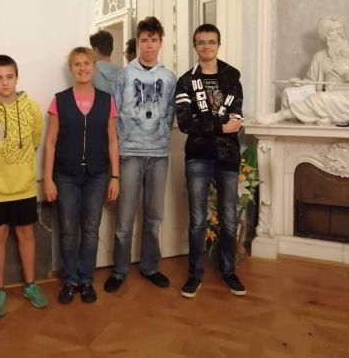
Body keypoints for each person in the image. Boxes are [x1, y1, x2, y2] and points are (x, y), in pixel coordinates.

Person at [0, 55, 48, 318]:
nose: (5, 82)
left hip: (24, 187)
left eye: (9, 77)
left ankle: (30, 285)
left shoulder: (32, 108)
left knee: (26, 235)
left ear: (17, 77)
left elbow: (35, 141)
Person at [104, 16, 176, 293]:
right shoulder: (123, 76)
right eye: (144, 40)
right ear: (138, 43)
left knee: (154, 216)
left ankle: (150, 266)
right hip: (130, 153)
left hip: (158, 155)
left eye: (153, 40)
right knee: (124, 218)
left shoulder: (169, 78)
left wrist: (161, 135)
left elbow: (170, 113)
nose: (149, 45)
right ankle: (119, 270)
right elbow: (113, 114)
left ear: (160, 43)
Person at [43, 47, 119, 304]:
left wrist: (115, 177)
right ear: (71, 69)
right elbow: (50, 142)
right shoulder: (60, 100)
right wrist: (47, 179)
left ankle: (86, 279)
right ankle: (70, 280)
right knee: (67, 230)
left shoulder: (107, 100)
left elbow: (112, 141)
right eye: (77, 64)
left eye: (87, 63)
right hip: (65, 176)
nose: (83, 68)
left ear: (94, 67)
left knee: (90, 230)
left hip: (97, 176)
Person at [175, 23, 246, 298]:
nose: (206, 46)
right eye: (201, 42)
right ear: (195, 46)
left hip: (227, 156)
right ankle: (195, 274)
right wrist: (220, 126)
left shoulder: (232, 78)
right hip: (198, 157)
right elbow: (185, 123)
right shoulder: (185, 82)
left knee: (228, 218)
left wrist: (209, 124)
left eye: (211, 42)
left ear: (219, 45)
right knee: (197, 220)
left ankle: (229, 271)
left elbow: (236, 120)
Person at [259, 16, 349, 125]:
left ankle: (281, 115)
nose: (339, 33)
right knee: (289, 92)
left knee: (321, 98)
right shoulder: (320, 57)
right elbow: (312, 82)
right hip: (328, 95)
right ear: (327, 36)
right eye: (333, 31)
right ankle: (327, 117)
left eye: (340, 30)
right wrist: (300, 82)